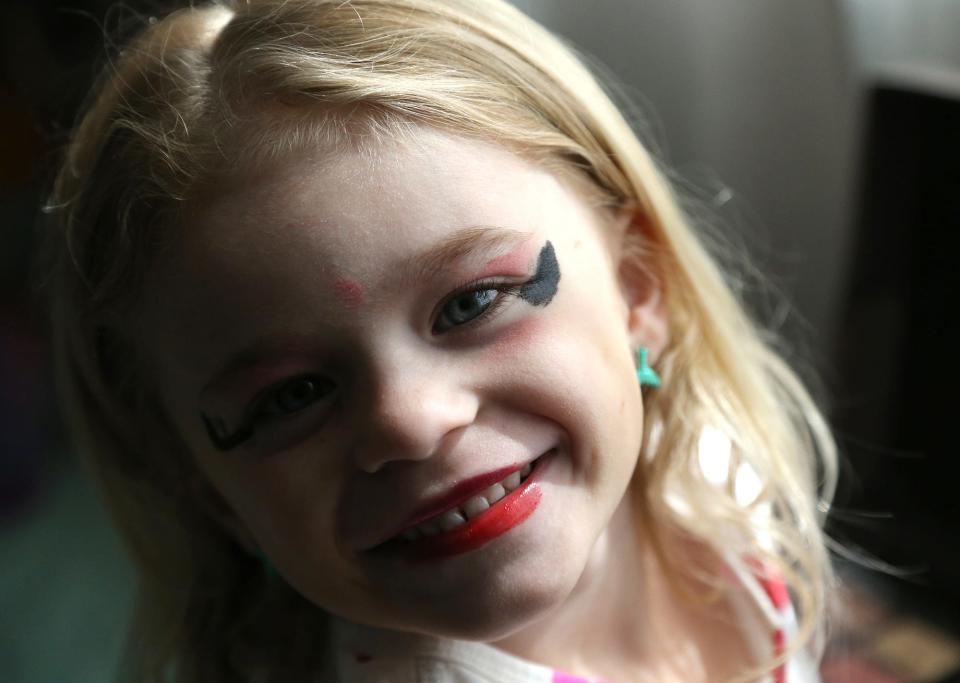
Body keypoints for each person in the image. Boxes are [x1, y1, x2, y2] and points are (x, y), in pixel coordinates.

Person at [42, 1, 837, 681]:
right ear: (210, 491)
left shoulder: (713, 473)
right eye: (291, 395)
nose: (411, 419)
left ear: (637, 288)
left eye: (471, 303)